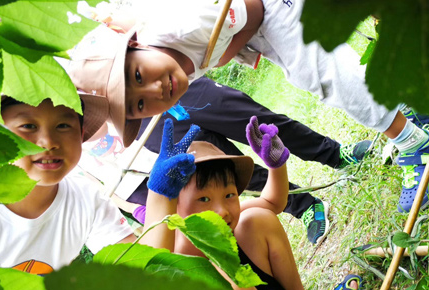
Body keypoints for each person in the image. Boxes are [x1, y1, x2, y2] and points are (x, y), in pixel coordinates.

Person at [62, 0, 428, 213]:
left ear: (138, 45)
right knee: (313, 73)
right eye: (142, 103)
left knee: (321, 72)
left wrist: (226, 54)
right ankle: (415, 103)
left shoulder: (179, 25)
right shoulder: (168, 56)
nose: (157, 88)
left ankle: (413, 142)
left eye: (140, 74)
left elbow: (250, 9)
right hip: (257, 27)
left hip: (263, 9)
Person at [138, 117, 363, 290]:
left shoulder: (225, 223)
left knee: (258, 219)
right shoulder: (178, 253)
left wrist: (276, 165)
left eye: (229, 195)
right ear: (175, 205)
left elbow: (272, 203)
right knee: (225, 279)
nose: (222, 210)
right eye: (203, 199)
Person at [121, 76, 372, 245]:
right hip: (137, 122)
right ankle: (304, 205)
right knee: (224, 169)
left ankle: (336, 154)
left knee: (261, 125)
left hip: (168, 85)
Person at [0, 95, 137, 274]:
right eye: (28, 126)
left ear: (81, 135)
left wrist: (161, 196)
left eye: (63, 126)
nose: (48, 142)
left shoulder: (87, 199)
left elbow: (137, 271)